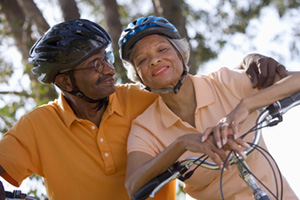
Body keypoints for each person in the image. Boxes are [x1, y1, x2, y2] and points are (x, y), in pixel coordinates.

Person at [0, 18, 286, 200]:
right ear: (65, 80)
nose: (110, 70)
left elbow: (193, 86)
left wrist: (251, 60)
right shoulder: (36, 126)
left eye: (107, 58)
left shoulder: (140, 100)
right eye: (96, 64)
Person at [118, 16, 299, 199]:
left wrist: (246, 105)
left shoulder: (223, 82)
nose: (154, 60)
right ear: (137, 76)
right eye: (142, 60)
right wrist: (183, 143)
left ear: (181, 53)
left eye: (162, 49)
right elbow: (133, 184)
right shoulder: (145, 128)